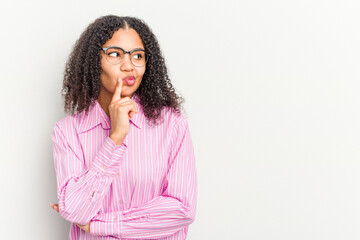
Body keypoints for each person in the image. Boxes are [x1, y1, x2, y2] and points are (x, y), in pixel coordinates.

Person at [50, 15, 197, 240]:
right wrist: (115, 138)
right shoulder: (68, 132)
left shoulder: (172, 124)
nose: (129, 66)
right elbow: (76, 210)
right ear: (93, 60)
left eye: (138, 56)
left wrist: (101, 224)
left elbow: (181, 210)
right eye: (115, 54)